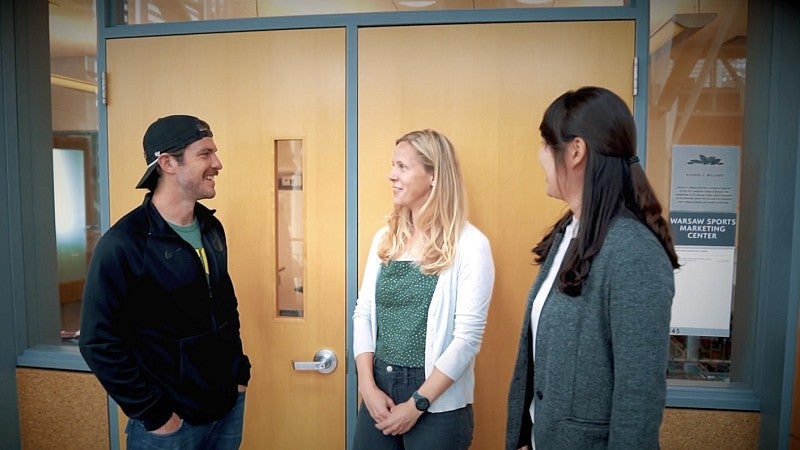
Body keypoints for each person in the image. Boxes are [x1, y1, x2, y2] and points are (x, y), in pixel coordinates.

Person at [505, 87, 680, 450]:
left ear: (575, 150)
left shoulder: (632, 252)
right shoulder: (568, 233)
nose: (539, 156)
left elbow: (639, 397)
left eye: (545, 143)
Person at [79, 115, 251, 450]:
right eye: (205, 154)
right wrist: (156, 415)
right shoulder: (125, 244)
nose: (218, 163)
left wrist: (239, 375)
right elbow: (99, 343)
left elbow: (226, 308)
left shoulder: (211, 229)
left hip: (227, 407)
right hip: (171, 425)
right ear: (168, 162)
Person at [352, 129, 495, 450]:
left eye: (402, 166)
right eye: (393, 165)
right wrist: (367, 386)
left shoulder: (471, 245)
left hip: (437, 400)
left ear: (433, 175)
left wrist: (418, 402)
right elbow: (363, 314)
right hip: (379, 390)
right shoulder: (384, 240)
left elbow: (467, 338)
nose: (391, 175)